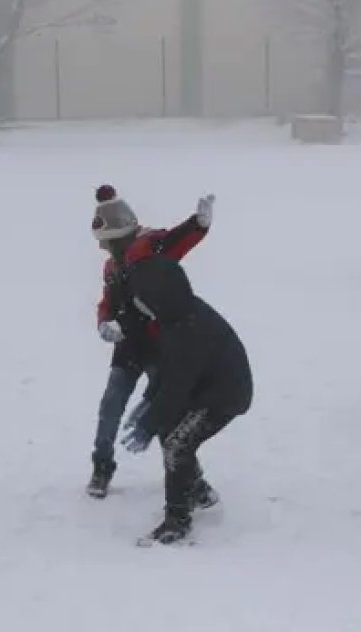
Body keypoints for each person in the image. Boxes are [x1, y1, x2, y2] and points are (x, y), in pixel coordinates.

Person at [87, 185, 213, 499]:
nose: (104, 250)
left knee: (165, 413)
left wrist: (197, 224)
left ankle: (192, 479)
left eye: (107, 243)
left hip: (161, 346)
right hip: (129, 346)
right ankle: (102, 466)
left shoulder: (149, 246)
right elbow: (108, 301)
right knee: (111, 405)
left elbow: (177, 240)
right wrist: (104, 321)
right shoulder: (112, 266)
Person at [119, 254, 253, 545]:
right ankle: (196, 490)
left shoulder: (191, 328)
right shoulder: (173, 317)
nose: (140, 304)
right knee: (170, 431)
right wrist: (148, 402)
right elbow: (167, 370)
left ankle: (176, 522)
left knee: (177, 444)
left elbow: (178, 385)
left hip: (224, 395)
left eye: (143, 297)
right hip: (201, 387)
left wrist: (148, 423)